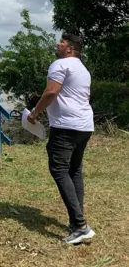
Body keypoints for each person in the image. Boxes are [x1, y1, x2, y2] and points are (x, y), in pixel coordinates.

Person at [27, 33, 95, 244]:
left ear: (70, 49)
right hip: (85, 125)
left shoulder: (60, 64)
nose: (58, 44)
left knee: (59, 169)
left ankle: (81, 226)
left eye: (62, 42)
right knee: (74, 171)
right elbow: (87, 97)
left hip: (66, 126)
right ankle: (77, 222)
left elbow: (51, 91)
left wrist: (34, 113)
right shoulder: (83, 69)